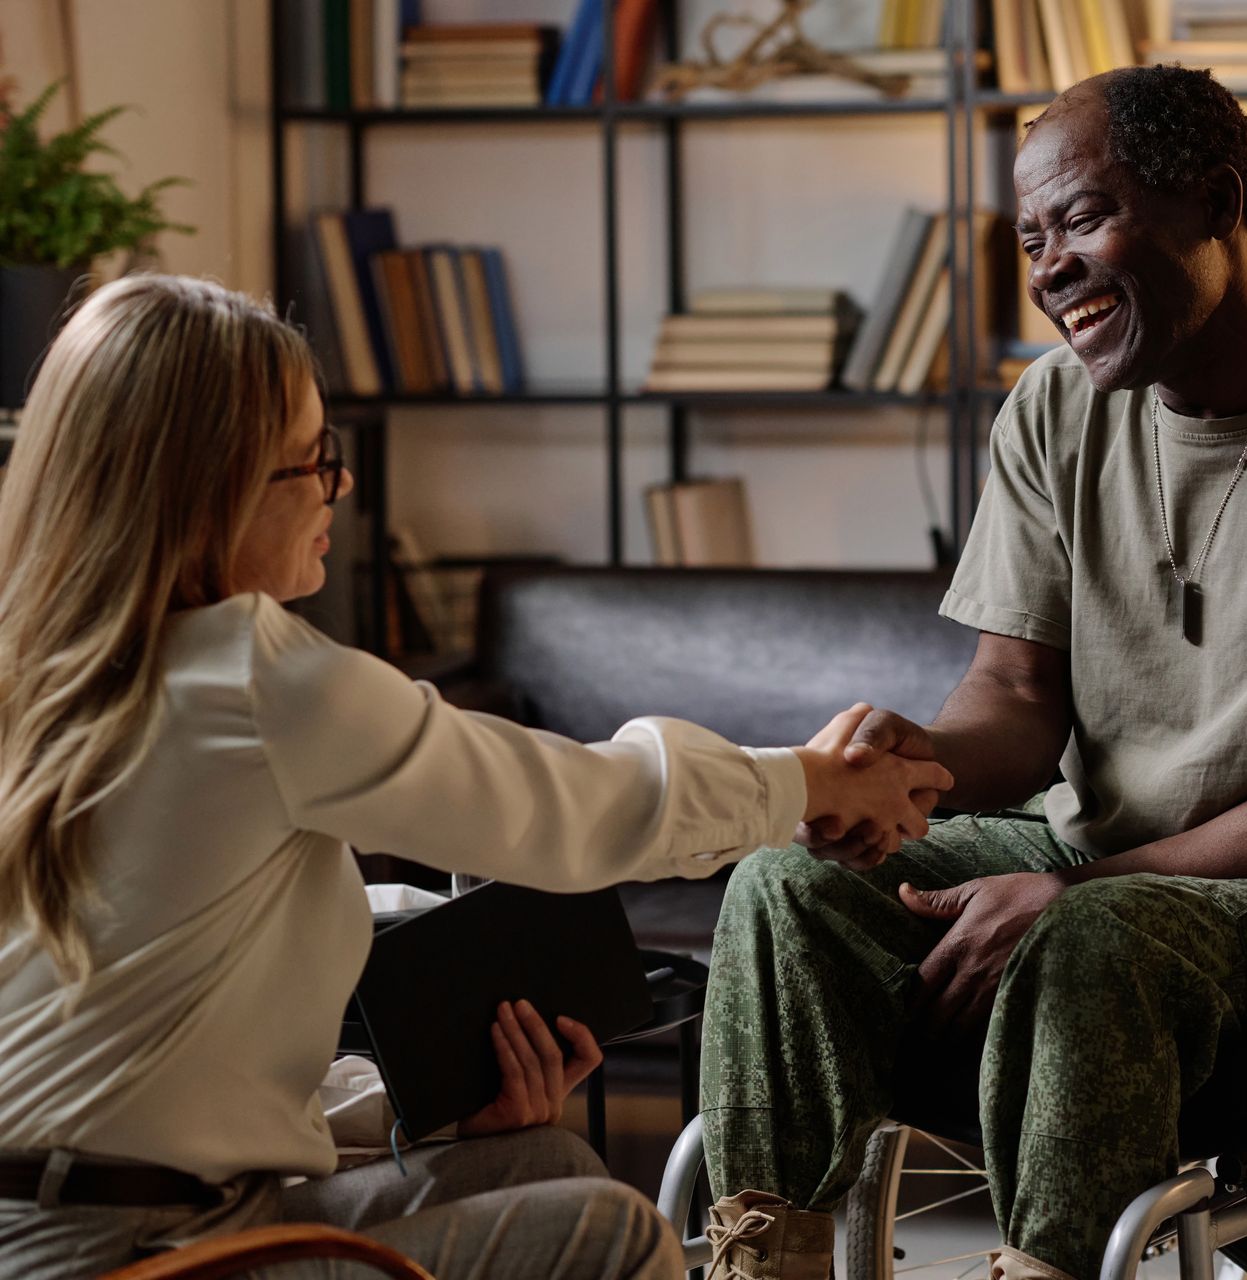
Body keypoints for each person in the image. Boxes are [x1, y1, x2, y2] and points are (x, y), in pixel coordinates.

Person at [698, 65, 1247, 1280]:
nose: (1048, 270)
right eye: (1032, 239)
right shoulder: (1051, 410)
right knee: (786, 884)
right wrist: (910, 761)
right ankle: (765, 1262)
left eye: (1082, 220)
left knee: (1089, 939)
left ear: (1217, 202)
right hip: (1085, 849)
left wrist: (1093, 886)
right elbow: (1018, 701)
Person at [0, 274, 952, 1279]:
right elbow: (574, 804)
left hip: (99, 1214)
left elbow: (167, 999)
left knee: (535, 1156)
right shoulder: (253, 676)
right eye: (317, 459)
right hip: (119, 1248)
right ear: (214, 484)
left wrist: (426, 1097)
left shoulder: (53, 661)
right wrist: (808, 781)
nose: (343, 485)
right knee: (611, 1234)